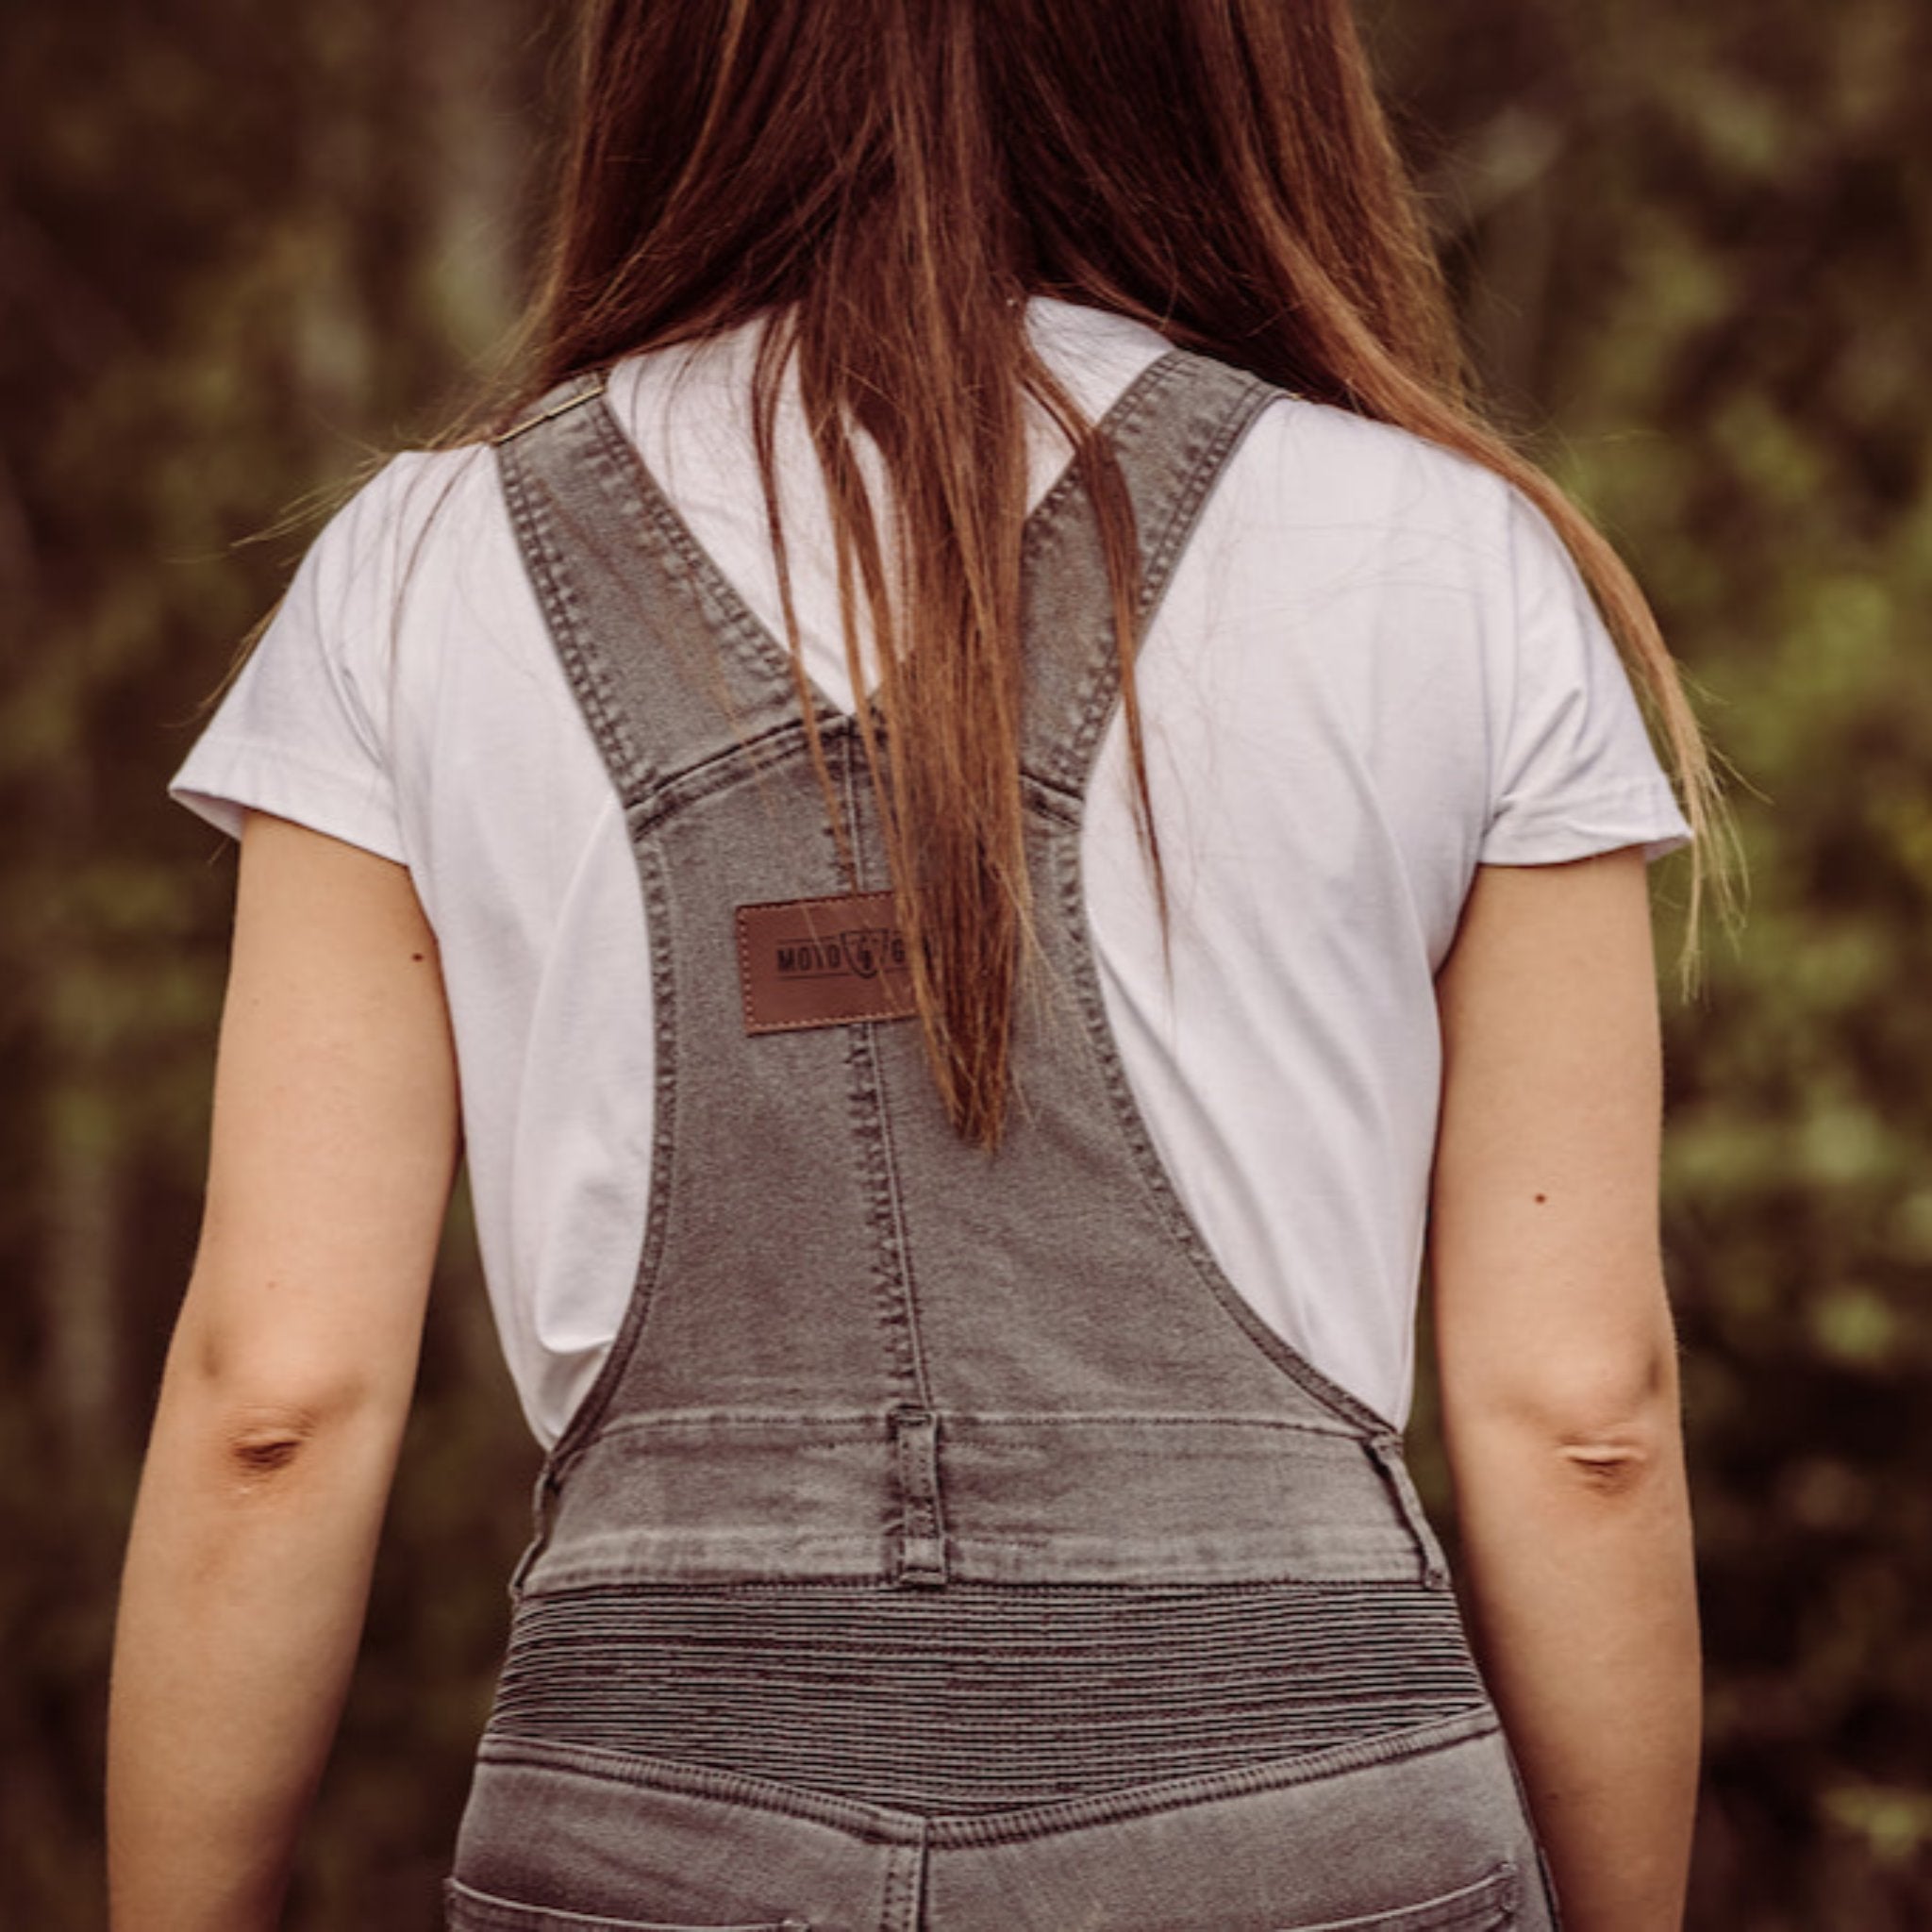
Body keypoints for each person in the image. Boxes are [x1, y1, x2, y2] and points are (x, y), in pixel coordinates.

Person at [108, 2, 1714, 1927]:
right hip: (1302, 1818)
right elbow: (1583, 1413)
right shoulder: (1450, 562)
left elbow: (273, 1399)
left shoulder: (411, 575)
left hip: (656, 1822)